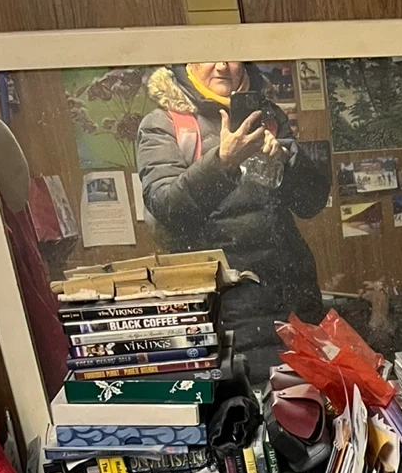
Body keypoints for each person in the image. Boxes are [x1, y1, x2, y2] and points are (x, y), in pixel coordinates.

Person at [136, 61, 330, 381]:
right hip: (225, 316)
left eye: (231, 55)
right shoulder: (166, 123)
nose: (222, 65)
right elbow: (168, 210)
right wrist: (222, 162)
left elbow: (311, 203)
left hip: (296, 305)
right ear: (188, 61)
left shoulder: (267, 116)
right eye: (208, 55)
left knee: (306, 402)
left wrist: (286, 160)